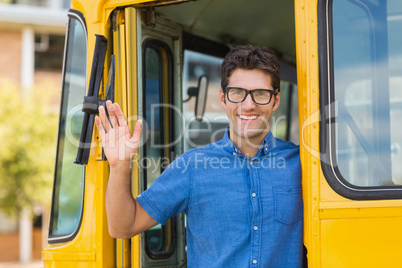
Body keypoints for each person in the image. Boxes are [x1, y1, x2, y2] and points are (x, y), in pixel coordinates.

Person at [95, 45, 302, 267]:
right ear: (223, 98)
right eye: (237, 93)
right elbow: (123, 226)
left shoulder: (302, 165)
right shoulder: (192, 167)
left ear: (276, 100)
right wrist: (119, 166)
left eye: (260, 94)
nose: (248, 105)